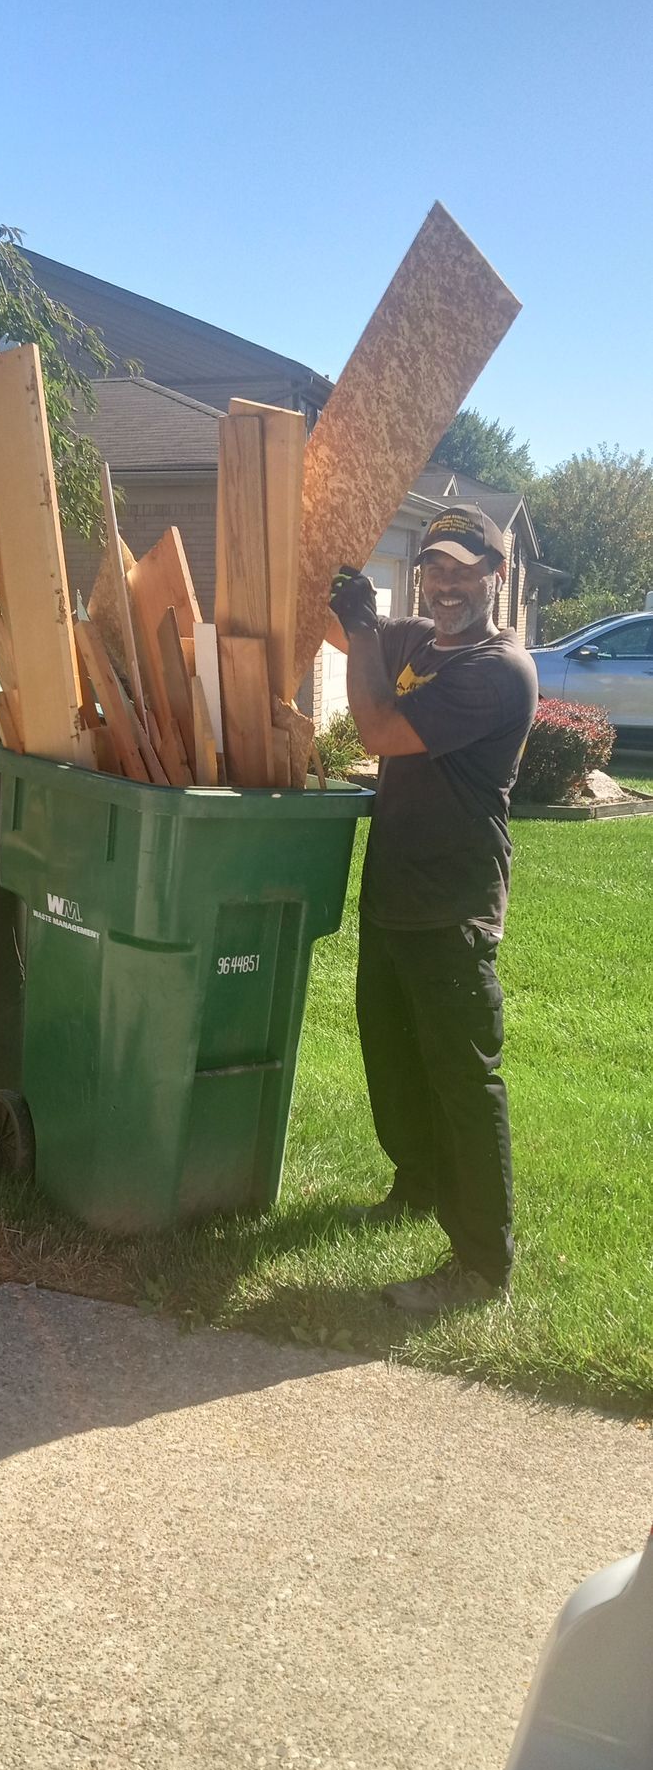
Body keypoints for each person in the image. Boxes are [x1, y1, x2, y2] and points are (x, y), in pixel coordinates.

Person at [329, 503, 538, 1313]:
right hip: (393, 891)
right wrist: (340, 590)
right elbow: (351, 641)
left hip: (453, 903)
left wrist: (357, 631)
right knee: (392, 1055)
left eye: (465, 568)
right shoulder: (418, 641)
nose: (448, 582)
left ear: (496, 576)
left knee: (462, 1079)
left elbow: (378, 727)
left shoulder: (496, 670)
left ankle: (483, 1266)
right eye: (436, 567)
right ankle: (414, 1186)